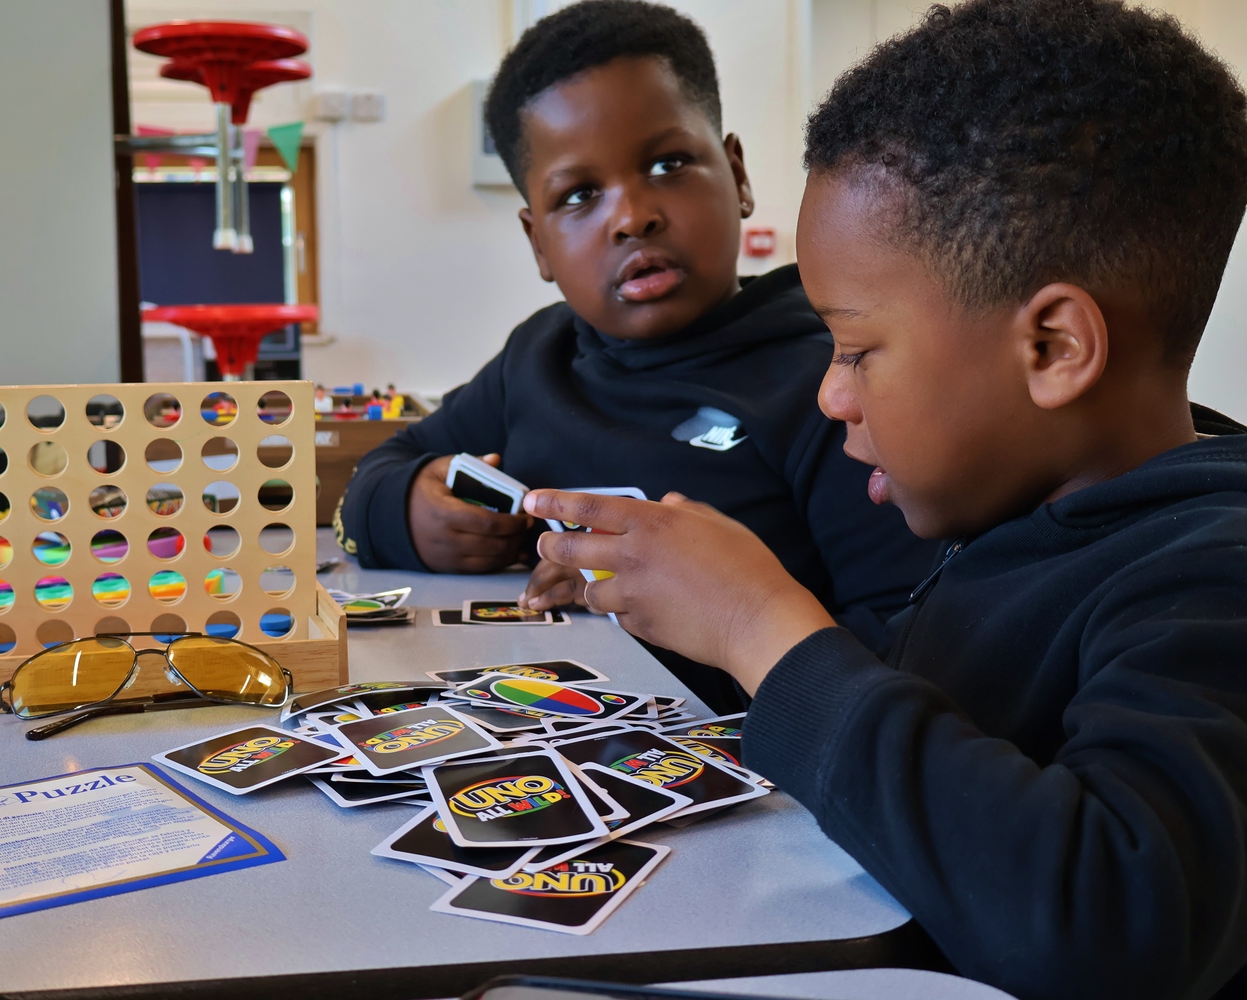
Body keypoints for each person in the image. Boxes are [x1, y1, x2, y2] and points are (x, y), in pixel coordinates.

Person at [523, 1, 1247, 996]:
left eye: (857, 350)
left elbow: (1111, 920)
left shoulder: (1214, 577)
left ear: (1053, 348)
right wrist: (696, 611)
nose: (831, 395)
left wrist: (758, 624)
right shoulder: (1010, 519)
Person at [333, 0, 936, 707]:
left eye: (668, 163)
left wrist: (683, 621)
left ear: (737, 176)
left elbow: (908, 642)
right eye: (579, 194)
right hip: (541, 728)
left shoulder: (832, 381)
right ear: (537, 243)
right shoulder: (539, 356)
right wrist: (408, 512)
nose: (631, 216)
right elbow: (380, 470)